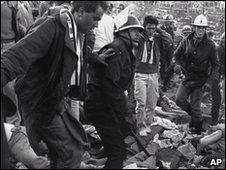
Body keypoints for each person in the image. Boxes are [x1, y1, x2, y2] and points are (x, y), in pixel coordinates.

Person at [1, 1, 112, 168]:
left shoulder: (74, 30)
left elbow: (79, 51)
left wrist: (96, 58)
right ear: (81, 11)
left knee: (42, 147)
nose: (96, 25)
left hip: (49, 96)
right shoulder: (52, 27)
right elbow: (18, 55)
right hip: (40, 99)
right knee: (70, 151)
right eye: (95, 18)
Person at [84, 15, 143, 169]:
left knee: (120, 137)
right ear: (123, 32)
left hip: (105, 104)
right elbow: (110, 85)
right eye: (134, 30)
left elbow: (122, 85)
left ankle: (103, 156)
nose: (138, 34)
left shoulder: (125, 49)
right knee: (118, 153)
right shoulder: (116, 49)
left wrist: (126, 112)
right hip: (100, 105)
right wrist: (125, 112)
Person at [174, 14, 220, 135]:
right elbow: (176, 55)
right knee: (179, 99)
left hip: (201, 80)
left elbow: (216, 65)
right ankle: (196, 118)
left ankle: (198, 131)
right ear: (194, 28)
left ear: (206, 29)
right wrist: (177, 64)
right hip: (188, 77)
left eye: (203, 28)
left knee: (195, 106)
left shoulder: (210, 45)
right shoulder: (186, 40)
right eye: (198, 27)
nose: (200, 30)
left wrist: (210, 82)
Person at [134, 15, 173, 136]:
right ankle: (140, 126)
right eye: (149, 28)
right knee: (141, 102)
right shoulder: (139, 38)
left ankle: (148, 124)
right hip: (140, 73)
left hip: (153, 74)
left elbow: (169, 40)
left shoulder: (157, 38)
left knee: (151, 103)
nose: (151, 31)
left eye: (153, 28)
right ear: (144, 27)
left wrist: (159, 30)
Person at [160, 14, 175, 92]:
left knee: (169, 64)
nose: (167, 23)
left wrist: (172, 47)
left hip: (169, 50)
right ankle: (162, 78)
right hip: (162, 49)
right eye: (166, 22)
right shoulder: (161, 29)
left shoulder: (170, 29)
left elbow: (172, 39)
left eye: (168, 22)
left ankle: (168, 80)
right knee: (162, 63)